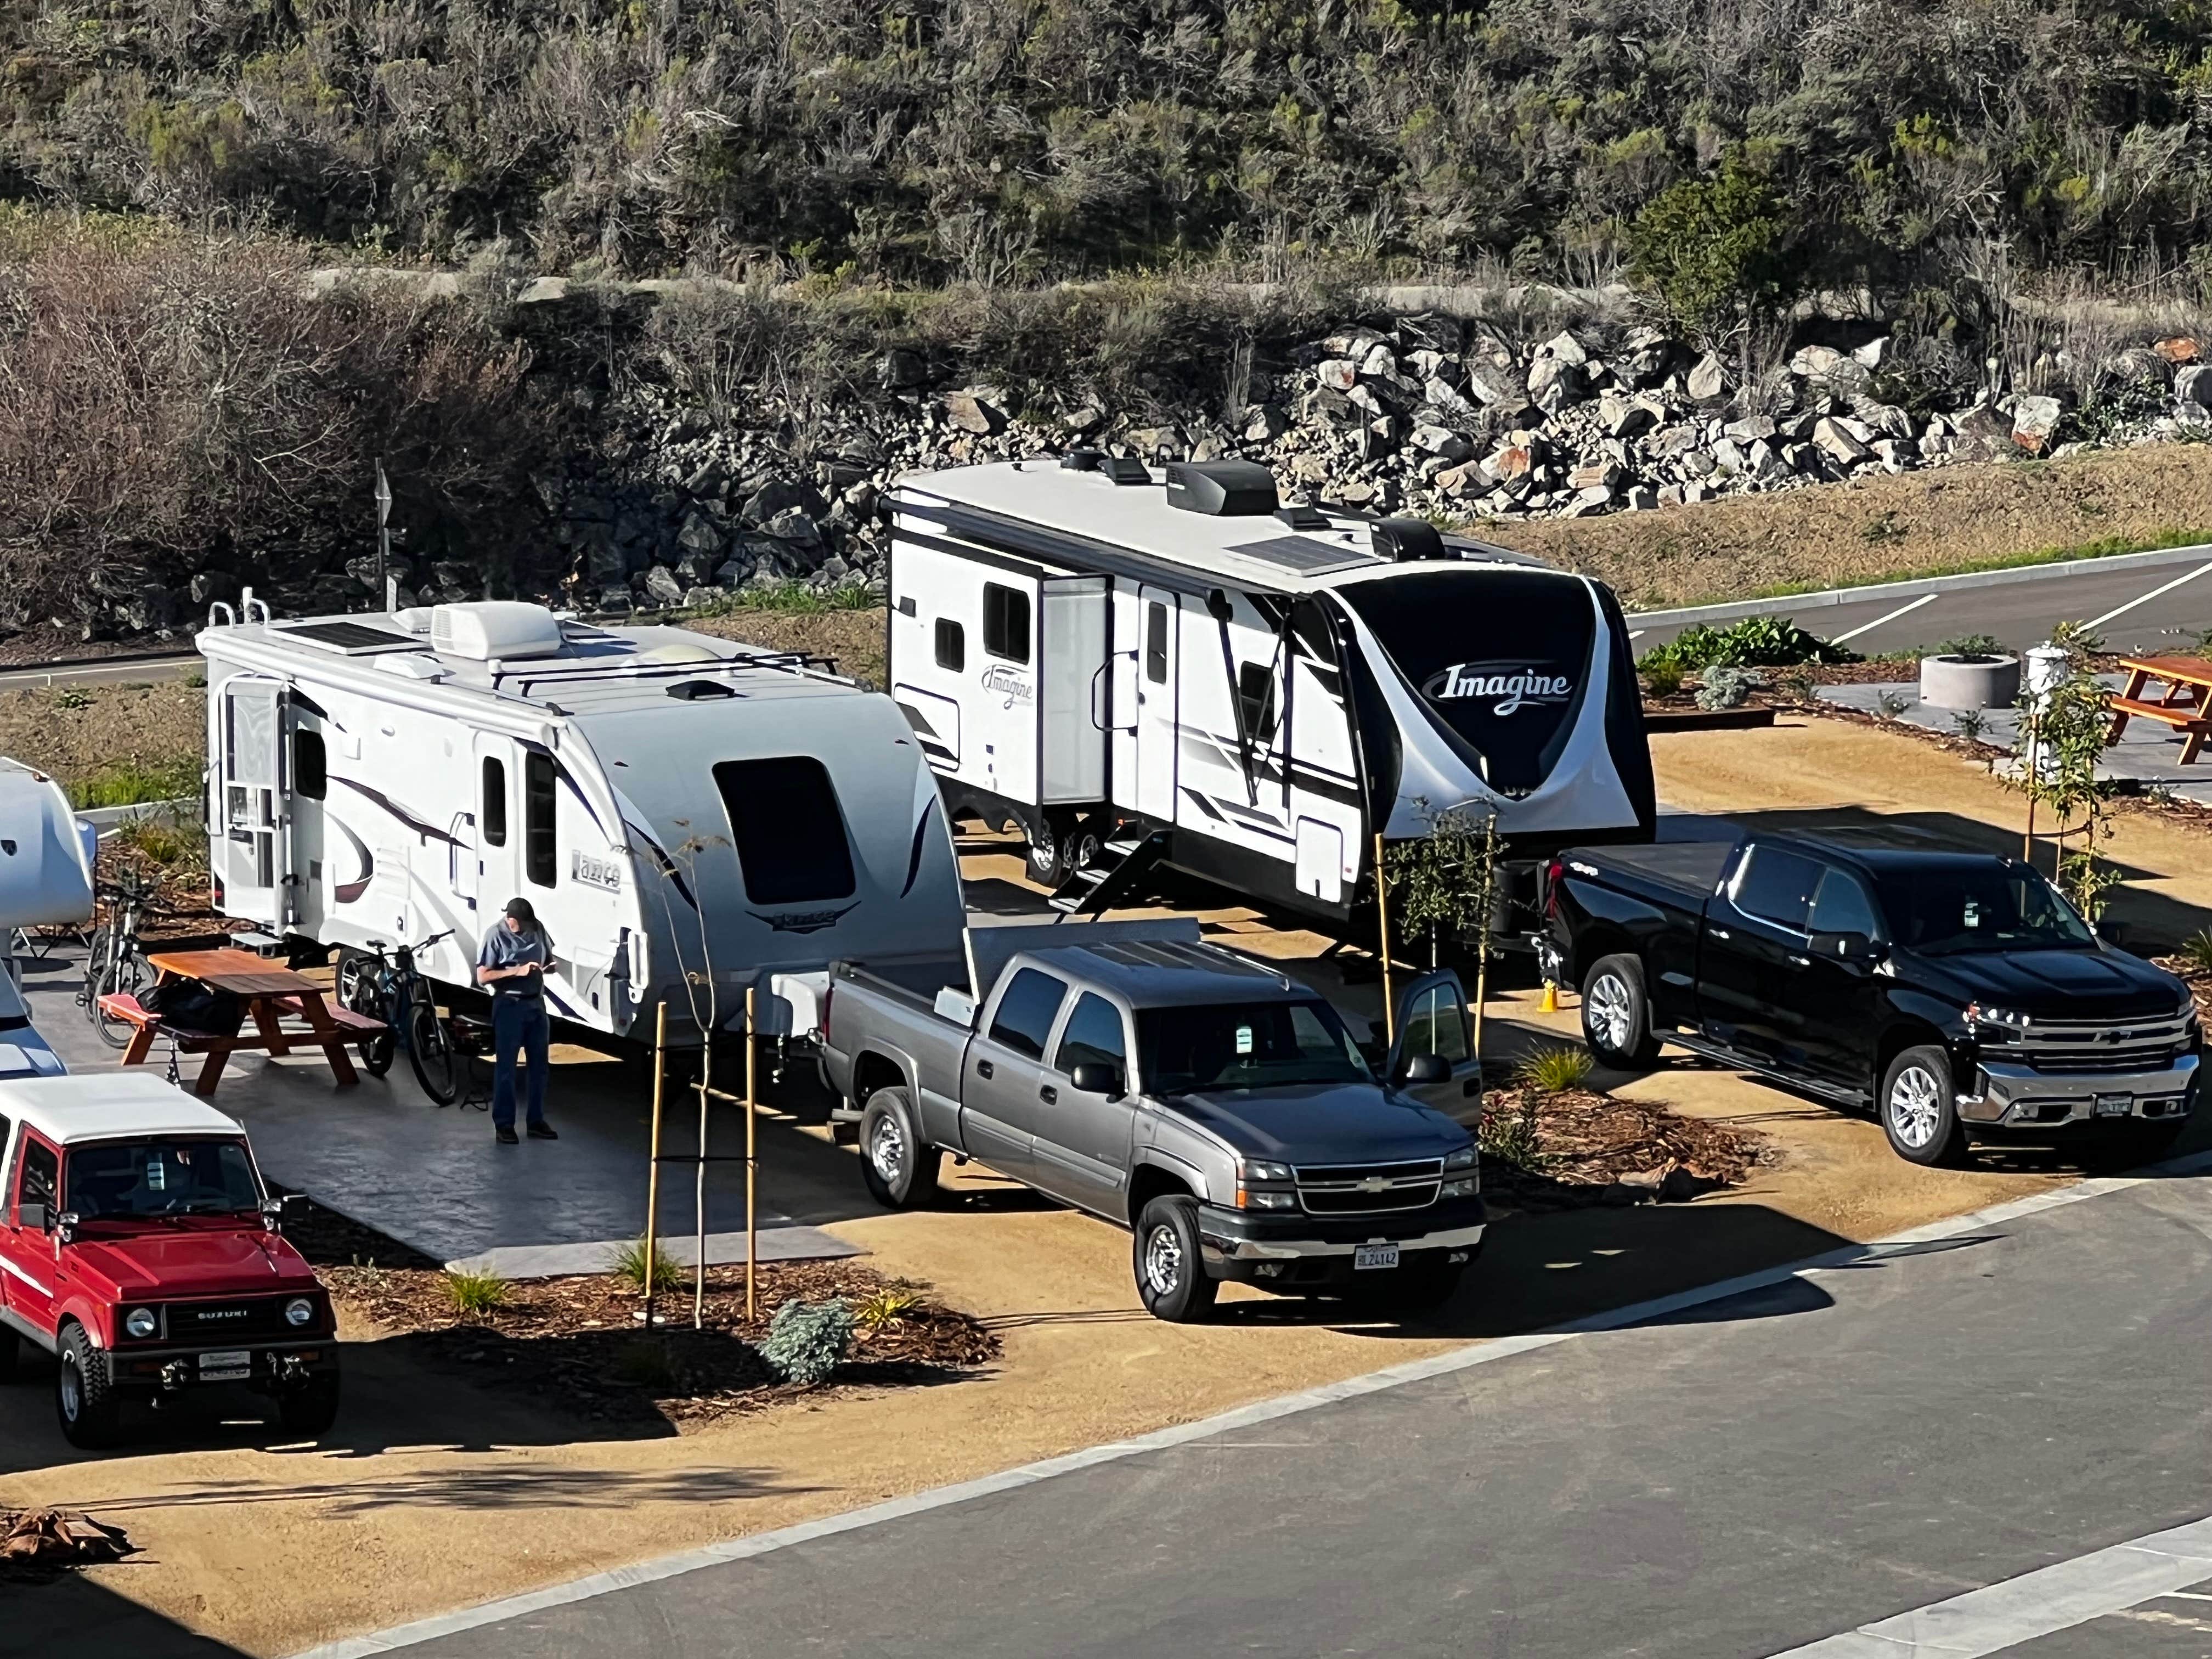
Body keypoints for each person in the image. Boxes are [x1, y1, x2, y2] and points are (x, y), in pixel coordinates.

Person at [477, 898, 559, 1145]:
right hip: (509, 1005)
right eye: (520, 924)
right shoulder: (495, 936)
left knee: (539, 1067)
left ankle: (536, 1121)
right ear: (510, 919)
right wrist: (517, 971)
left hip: (536, 1004)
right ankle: (504, 1125)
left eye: (528, 924)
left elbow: (549, 959)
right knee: (507, 1068)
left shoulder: (538, 928)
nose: (525, 928)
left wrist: (547, 968)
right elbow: (483, 976)